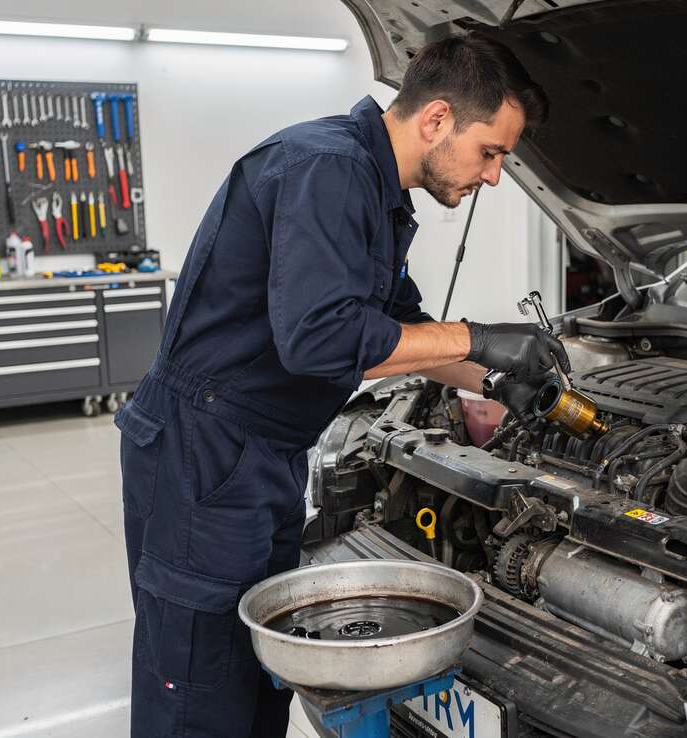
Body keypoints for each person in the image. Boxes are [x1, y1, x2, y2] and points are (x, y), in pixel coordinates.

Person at [115, 33, 564, 737]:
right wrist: (478, 335)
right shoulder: (326, 169)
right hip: (204, 453)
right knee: (200, 690)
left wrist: (503, 379)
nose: (495, 176)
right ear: (438, 119)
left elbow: (398, 333)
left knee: (259, 674)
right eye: (492, 151)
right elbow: (319, 338)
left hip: (258, 451)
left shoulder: (377, 195)